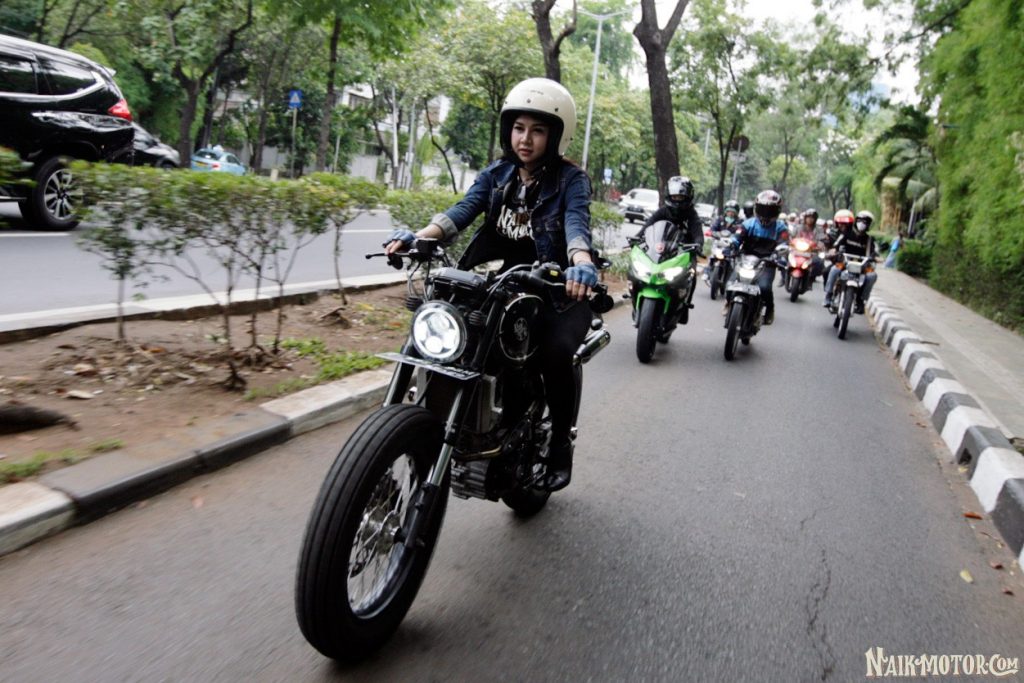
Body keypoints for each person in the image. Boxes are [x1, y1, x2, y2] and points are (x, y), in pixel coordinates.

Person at [384, 77, 593, 492]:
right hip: (497, 282)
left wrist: (581, 263)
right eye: (518, 128)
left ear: (556, 135)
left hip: (555, 287)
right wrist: (419, 237)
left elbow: (576, 223)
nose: (525, 139)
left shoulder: (571, 180)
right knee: (443, 329)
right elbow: (462, 210)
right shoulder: (497, 174)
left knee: (556, 353)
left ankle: (559, 445)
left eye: (537, 130)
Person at [729, 189, 789, 325]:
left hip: (767, 263)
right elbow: (737, 237)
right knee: (731, 283)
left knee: (765, 287)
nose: (766, 213)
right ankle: (728, 302)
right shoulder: (748, 224)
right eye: (763, 209)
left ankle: (770, 308)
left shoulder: (781, 228)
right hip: (746, 260)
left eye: (770, 210)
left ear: (777, 211)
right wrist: (732, 246)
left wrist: (779, 255)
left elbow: (784, 244)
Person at [823, 210, 878, 312]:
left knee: (872, 276)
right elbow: (836, 245)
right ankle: (828, 295)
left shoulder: (869, 239)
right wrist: (833, 251)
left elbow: (874, 252)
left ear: (869, 225)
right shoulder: (846, 234)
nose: (862, 224)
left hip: (862, 266)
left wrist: (876, 257)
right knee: (834, 270)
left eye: (865, 222)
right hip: (844, 262)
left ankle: (861, 300)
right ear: (856, 221)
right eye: (860, 221)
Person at [633, 175, 705, 250]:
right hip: (660, 248)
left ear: (688, 197)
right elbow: (648, 225)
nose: (677, 200)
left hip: (684, 250)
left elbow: (698, 233)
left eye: (680, 197)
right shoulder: (663, 211)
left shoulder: (691, 214)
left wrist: (698, 244)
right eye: (674, 197)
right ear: (669, 196)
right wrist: (636, 238)